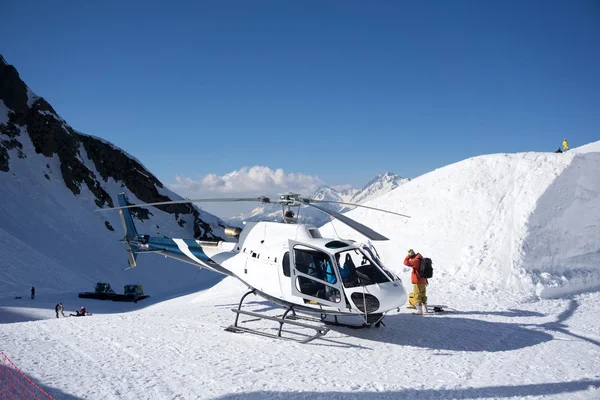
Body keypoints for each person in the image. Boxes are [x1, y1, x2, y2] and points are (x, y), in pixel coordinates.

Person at [404, 249, 428, 315]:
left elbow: (405, 262)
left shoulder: (416, 261)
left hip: (418, 281)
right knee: (423, 294)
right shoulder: (421, 259)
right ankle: (425, 310)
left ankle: (419, 311)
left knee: (417, 295)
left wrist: (408, 256)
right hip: (423, 280)